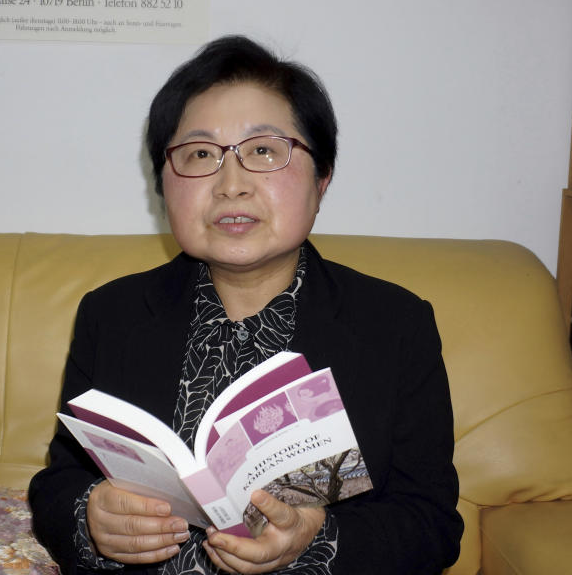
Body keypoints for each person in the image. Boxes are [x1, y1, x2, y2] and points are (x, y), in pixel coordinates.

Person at [29, 35, 463, 574]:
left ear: (322, 177)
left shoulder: (395, 325)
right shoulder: (111, 314)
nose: (230, 185)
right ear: (162, 185)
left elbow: (432, 524)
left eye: (263, 151)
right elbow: (59, 483)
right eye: (200, 156)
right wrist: (89, 514)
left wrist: (318, 538)